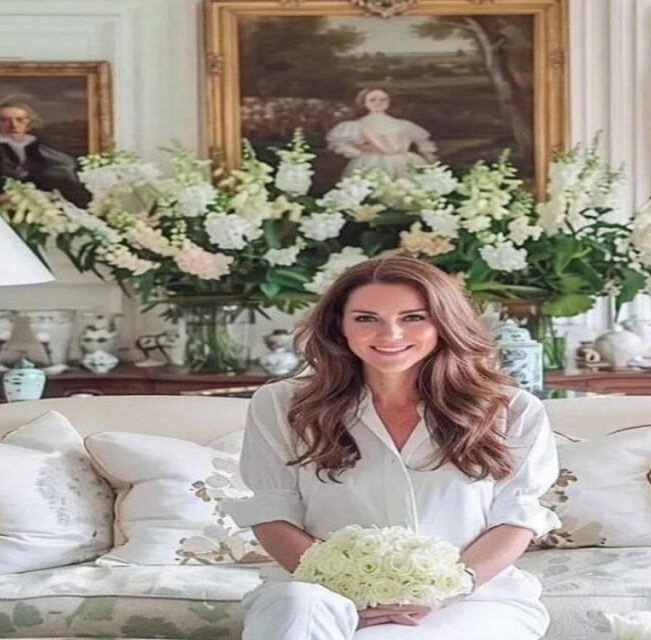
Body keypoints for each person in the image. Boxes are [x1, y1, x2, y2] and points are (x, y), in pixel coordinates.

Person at [226, 256, 560, 639]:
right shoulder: (282, 404)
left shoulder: (511, 410)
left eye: (413, 318)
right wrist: (348, 587)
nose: (390, 335)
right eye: (366, 318)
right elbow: (273, 513)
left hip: (472, 599)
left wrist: (448, 585)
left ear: (443, 323)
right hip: (317, 589)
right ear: (340, 326)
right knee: (296, 607)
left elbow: (515, 519)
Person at [0, 101, 91, 207]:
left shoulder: (46, 152)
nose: (13, 125)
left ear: (28, 123)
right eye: (4, 120)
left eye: (19, 119)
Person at [327, 88, 438, 179]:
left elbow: (422, 141)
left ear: (389, 102)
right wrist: (359, 151)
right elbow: (340, 143)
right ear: (363, 103)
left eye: (383, 99)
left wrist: (428, 154)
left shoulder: (403, 124)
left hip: (405, 161)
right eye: (372, 100)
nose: (378, 103)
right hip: (371, 161)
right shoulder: (357, 125)